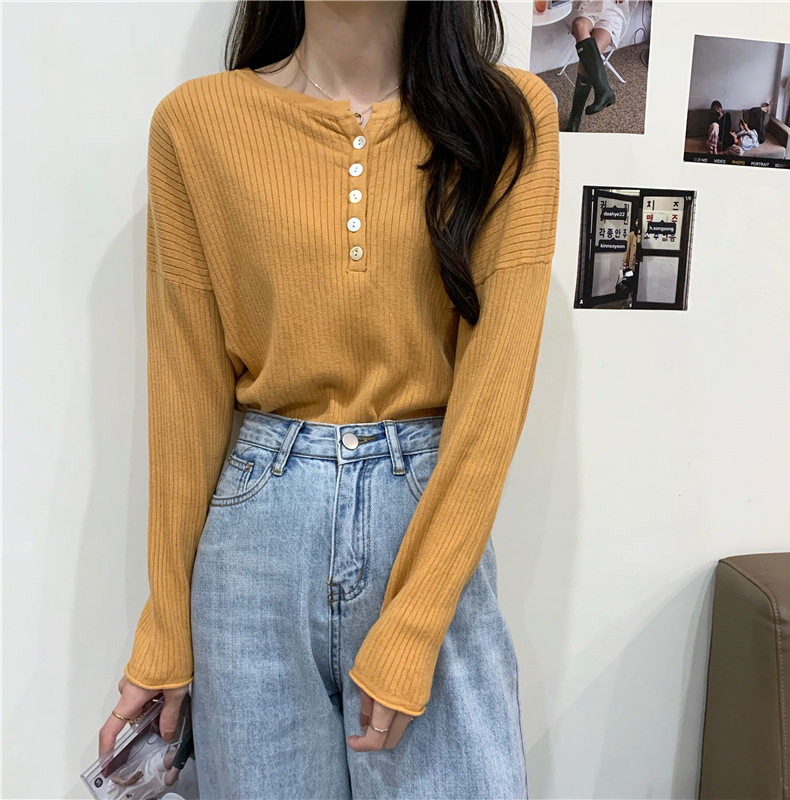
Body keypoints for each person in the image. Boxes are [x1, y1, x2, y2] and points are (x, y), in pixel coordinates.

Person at [97, 1, 560, 798]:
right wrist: (166, 626)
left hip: (425, 521)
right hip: (253, 544)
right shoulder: (197, 124)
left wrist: (416, 622)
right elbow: (185, 390)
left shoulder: (509, 116)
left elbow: (495, 395)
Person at [565, 0, 631, 131]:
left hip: (611, 12)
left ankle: (575, 118)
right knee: (579, 25)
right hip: (586, 9)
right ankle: (604, 91)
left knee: (586, 60)